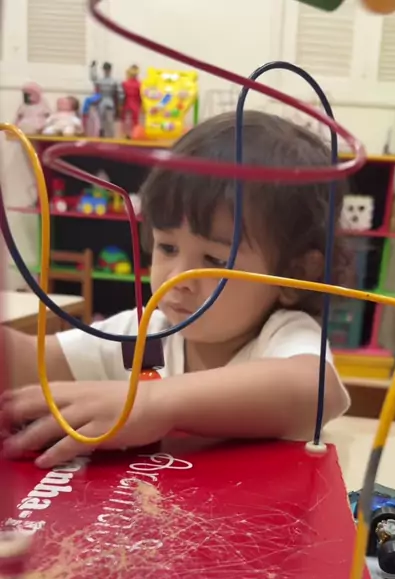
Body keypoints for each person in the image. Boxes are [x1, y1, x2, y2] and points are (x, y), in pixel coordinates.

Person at [3, 111, 351, 469]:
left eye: (215, 259)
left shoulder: (281, 336)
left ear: (294, 275)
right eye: (167, 248)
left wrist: (152, 403)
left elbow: (316, 390)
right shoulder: (145, 339)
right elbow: (33, 361)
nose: (178, 278)